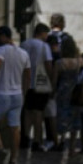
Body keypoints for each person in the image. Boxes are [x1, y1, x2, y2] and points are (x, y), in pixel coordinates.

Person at [0, 26, 31, 164]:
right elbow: (28, 76)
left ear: (3, 36)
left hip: (0, 93)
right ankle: (14, 160)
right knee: (15, 128)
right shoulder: (23, 53)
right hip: (17, 95)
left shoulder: (1, 49)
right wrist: (24, 92)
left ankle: (1, 148)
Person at [20, 23, 54, 151]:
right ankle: (37, 140)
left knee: (28, 111)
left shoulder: (24, 44)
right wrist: (51, 80)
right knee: (38, 112)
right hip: (41, 82)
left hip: (26, 83)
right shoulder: (44, 46)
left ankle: (25, 137)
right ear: (42, 33)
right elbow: (48, 64)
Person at [53, 36, 83, 157]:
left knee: (61, 116)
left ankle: (61, 141)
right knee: (75, 118)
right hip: (75, 92)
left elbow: (55, 80)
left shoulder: (59, 63)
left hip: (63, 92)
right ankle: (72, 148)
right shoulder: (79, 62)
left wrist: (53, 92)